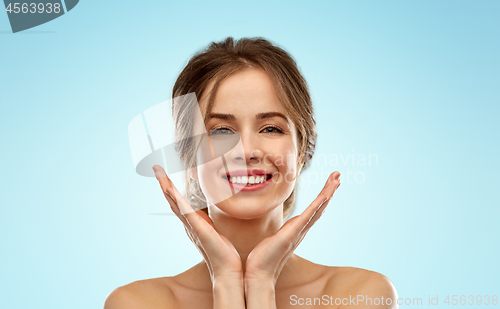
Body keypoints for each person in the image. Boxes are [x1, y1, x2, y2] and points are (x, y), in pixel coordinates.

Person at [104, 37, 397, 309]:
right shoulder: (136, 303)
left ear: (302, 150)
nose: (246, 151)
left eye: (271, 128)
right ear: (188, 157)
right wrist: (227, 281)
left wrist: (260, 281)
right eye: (221, 130)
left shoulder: (360, 295)